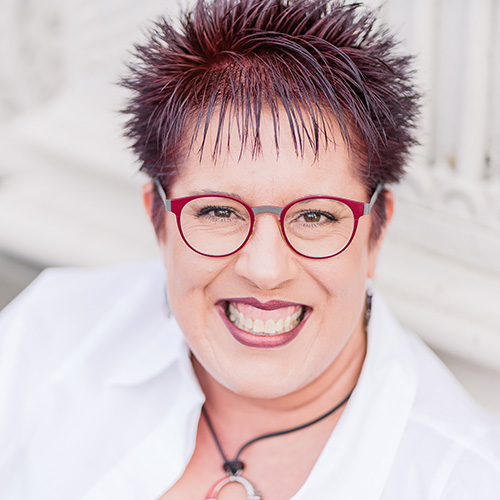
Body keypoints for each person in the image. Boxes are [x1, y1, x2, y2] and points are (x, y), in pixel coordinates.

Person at [0, 0, 499, 499]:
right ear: (159, 216)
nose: (264, 270)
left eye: (316, 216)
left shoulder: (462, 480)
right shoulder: (46, 338)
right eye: (218, 211)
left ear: (378, 229)